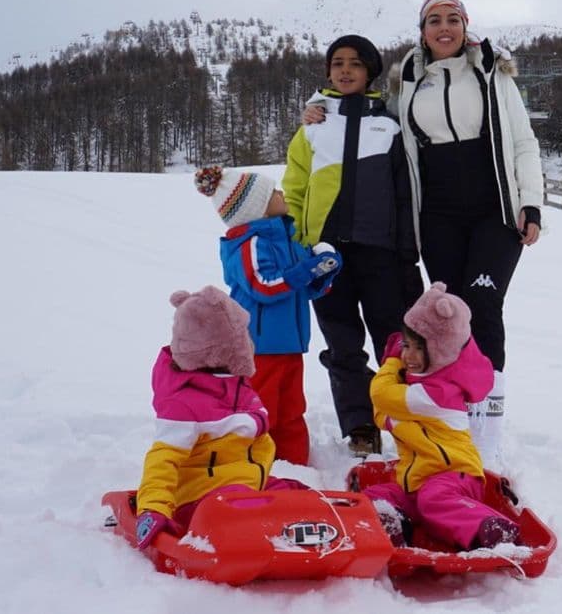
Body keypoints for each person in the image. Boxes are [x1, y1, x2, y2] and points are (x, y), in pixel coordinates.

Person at [302, 0, 544, 468]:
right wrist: (315, 105)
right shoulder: (408, 80)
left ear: (466, 26)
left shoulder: (494, 73)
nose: (444, 28)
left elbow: (523, 141)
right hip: (437, 216)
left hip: (494, 208)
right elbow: (358, 105)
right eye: (434, 20)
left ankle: (485, 431)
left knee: (483, 303)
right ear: (423, 30)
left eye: (453, 19)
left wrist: (530, 203)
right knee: (448, 314)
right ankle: (448, 418)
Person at [282, 34, 423, 457]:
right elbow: (294, 189)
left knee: (392, 342)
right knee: (342, 344)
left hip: (381, 253)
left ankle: (400, 418)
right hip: (327, 259)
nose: (345, 70)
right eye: (338, 63)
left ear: (370, 72)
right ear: (327, 71)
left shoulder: (390, 125)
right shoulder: (312, 128)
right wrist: (297, 244)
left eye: (356, 63)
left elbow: (404, 194)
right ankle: (360, 424)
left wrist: (406, 251)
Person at [134, 285, 305, 550]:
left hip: (246, 488)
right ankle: (266, 539)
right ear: (225, 349)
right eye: (242, 340)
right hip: (200, 501)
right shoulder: (184, 403)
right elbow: (162, 461)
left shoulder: (238, 388)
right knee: (262, 508)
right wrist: (154, 507)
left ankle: (325, 534)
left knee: (301, 497)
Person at [194, 165, 342, 465]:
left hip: (289, 344)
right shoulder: (250, 243)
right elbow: (264, 286)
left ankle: (296, 468)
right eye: (273, 192)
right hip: (259, 348)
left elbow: (301, 289)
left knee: (291, 410)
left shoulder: (284, 240)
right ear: (256, 207)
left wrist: (323, 272)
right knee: (263, 410)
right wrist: (306, 270)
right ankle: (254, 466)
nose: (281, 193)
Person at [362, 282, 521, 550]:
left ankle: (490, 529)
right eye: (406, 345)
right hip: (418, 481)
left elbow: (380, 396)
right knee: (376, 496)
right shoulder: (418, 382)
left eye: (417, 348)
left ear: (439, 350)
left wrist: (391, 362)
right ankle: (394, 525)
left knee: (434, 500)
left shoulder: (437, 392)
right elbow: (382, 414)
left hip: (455, 477)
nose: (407, 356)